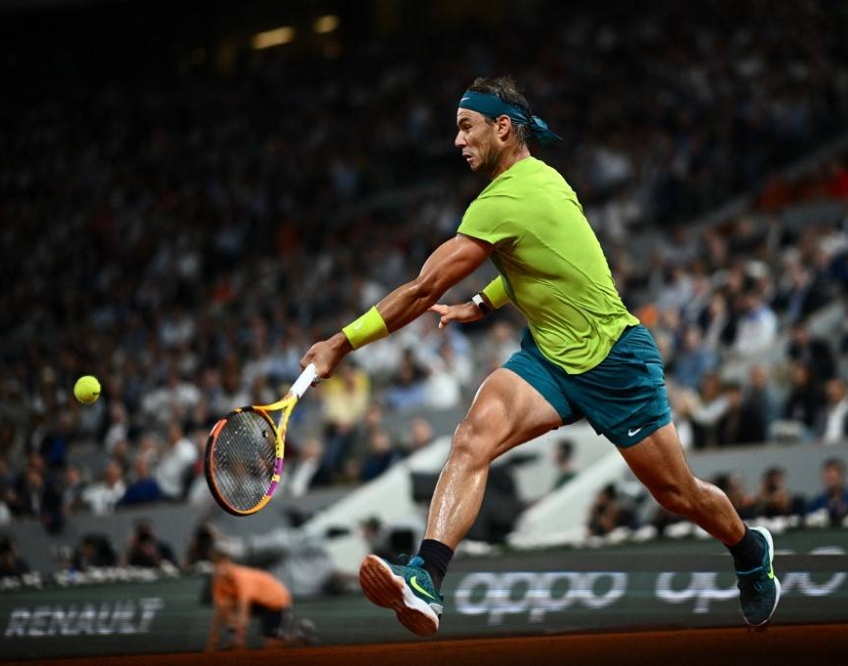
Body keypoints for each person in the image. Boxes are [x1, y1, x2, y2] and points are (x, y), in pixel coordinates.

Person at [299, 75, 779, 636]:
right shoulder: (539, 180)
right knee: (472, 437)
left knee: (678, 494)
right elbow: (541, 258)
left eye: (466, 127)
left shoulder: (509, 197)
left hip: (615, 360)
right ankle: (428, 577)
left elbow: (424, 290)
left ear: (503, 128)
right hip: (550, 356)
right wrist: (484, 300)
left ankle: (749, 549)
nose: (457, 140)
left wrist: (340, 343)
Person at [206, 546, 317, 651]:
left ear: (228, 562)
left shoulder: (242, 577)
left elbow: (244, 610)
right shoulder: (218, 582)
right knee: (226, 604)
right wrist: (212, 643)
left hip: (276, 601)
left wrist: (240, 639)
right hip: (258, 602)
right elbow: (219, 611)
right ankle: (232, 634)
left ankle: (300, 635)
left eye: (220, 564)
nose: (218, 569)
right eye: (215, 565)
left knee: (272, 646)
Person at [806, 458, 848, 526]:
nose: (830, 477)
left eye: (834, 474)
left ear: (842, 476)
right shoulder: (817, 502)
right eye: (827, 473)